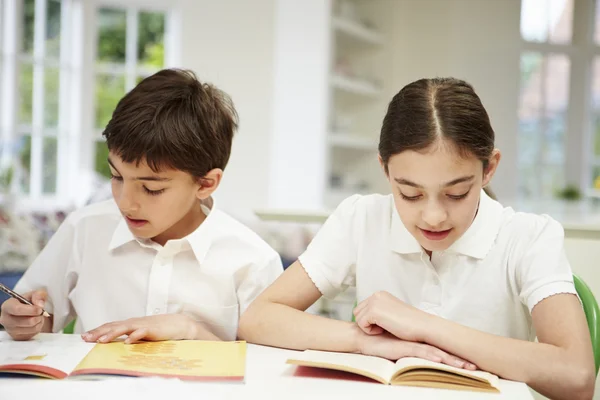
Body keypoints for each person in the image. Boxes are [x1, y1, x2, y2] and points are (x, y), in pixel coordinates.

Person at [238, 77, 595, 400]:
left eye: (456, 193)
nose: (433, 216)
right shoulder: (361, 218)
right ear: (385, 169)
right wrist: (367, 342)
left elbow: (576, 376)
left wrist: (423, 326)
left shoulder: (529, 236)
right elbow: (258, 318)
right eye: (409, 194)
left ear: (489, 168)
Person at [0, 69, 282, 344]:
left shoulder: (253, 261)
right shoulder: (84, 228)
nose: (125, 202)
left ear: (206, 184)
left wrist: (190, 330)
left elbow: (265, 371)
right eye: (116, 177)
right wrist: (24, 321)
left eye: (152, 188)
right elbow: (38, 315)